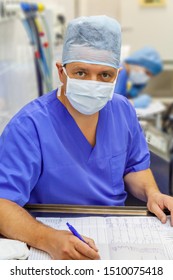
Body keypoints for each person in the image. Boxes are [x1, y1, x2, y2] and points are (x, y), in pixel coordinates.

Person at [0, 15, 173, 260]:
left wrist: (152, 194)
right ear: (62, 72)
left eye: (105, 75)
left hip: (117, 234)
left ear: (117, 75)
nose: (93, 83)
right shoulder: (30, 126)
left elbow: (134, 167)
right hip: (51, 236)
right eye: (81, 72)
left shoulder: (122, 110)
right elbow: (3, 204)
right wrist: (48, 239)